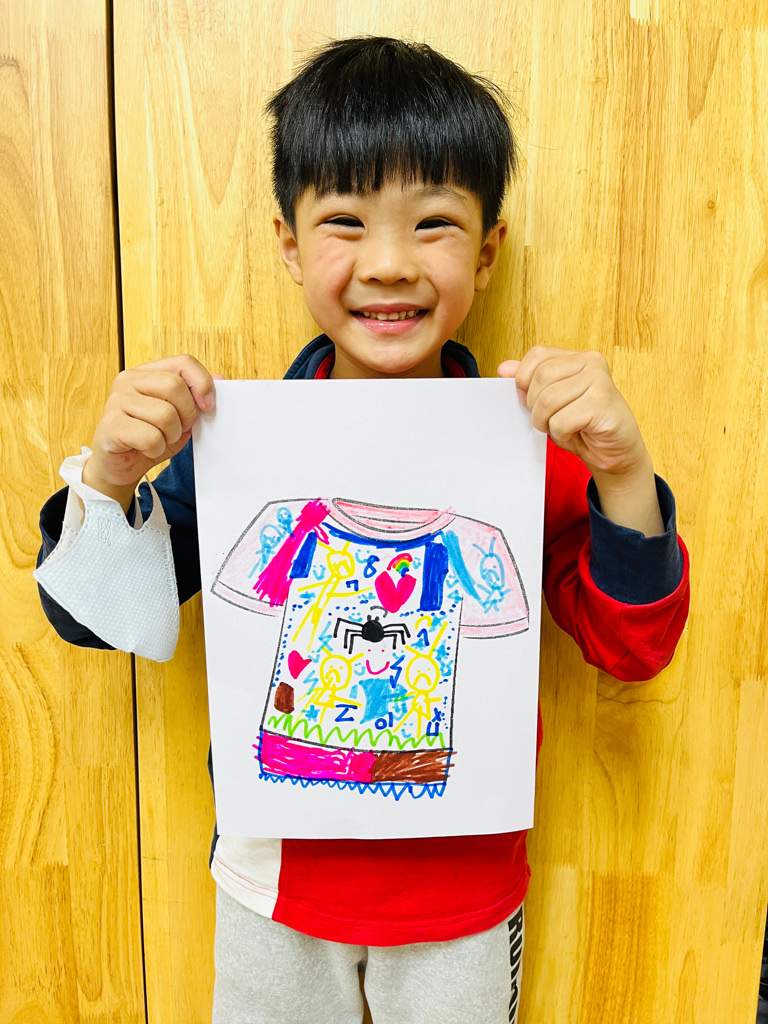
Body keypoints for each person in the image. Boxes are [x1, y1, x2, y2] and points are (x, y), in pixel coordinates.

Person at [35, 36, 690, 1024]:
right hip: (273, 876)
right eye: (345, 221)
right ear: (289, 244)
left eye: (434, 223)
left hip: (463, 887)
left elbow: (632, 648)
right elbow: (95, 620)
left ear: (487, 251)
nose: (389, 263)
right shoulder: (237, 456)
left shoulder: (529, 454)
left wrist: (624, 472)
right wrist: (113, 477)